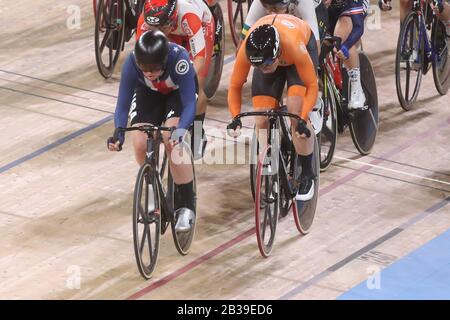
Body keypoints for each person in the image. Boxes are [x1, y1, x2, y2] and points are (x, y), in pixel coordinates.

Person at [107, 30, 197, 232]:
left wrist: (180, 130)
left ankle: (187, 207)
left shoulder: (179, 60)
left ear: (164, 61)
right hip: (149, 93)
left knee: (171, 139)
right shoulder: (131, 63)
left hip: (177, 94)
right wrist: (118, 134)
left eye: (154, 68)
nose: (149, 73)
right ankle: (152, 185)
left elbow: (190, 103)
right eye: (144, 68)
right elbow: (122, 106)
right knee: (139, 142)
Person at [227, 14, 319, 201]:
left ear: (276, 54)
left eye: (266, 64)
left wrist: (302, 118)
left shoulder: (294, 45)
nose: (262, 69)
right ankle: (271, 165)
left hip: (299, 51)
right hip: (273, 52)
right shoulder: (249, 51)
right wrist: (235, 116)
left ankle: (308, 174)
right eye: (257, 66)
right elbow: (235, 86)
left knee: (295, 112)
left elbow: (312, 85)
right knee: (261, 119)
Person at [136, 0, 215, 159]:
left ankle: (198, 132)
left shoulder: (189, 17)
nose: (157, 32)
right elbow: (142, 57)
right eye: (153, 28)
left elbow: (199, 59)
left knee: (196, 84)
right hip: (174, 30)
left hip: (199, 27)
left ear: (172, 19)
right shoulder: (145, 21)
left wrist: (183, 80)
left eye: (161, 28)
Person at [324, 0, 369, 110]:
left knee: (342, 39)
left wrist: (346, 46)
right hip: (330, 11)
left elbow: (358, 27)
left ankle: (357, 89)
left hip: (350, 8)